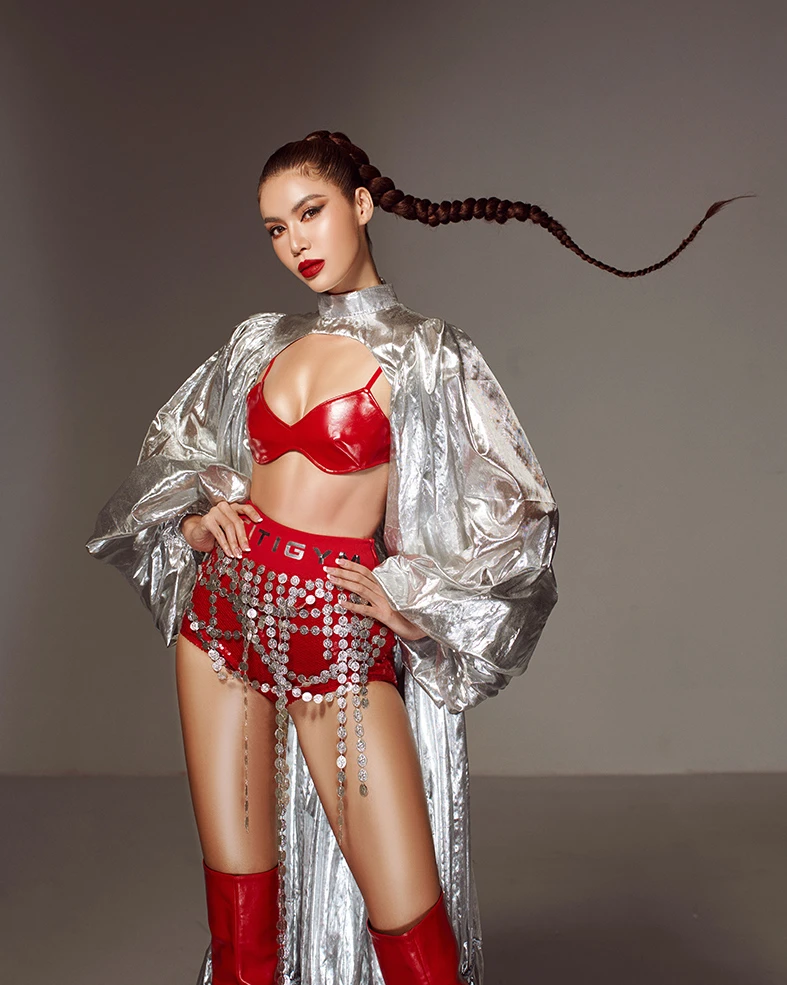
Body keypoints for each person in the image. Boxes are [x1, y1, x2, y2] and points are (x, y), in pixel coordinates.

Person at [85, 130, 745, 985]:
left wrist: (410, 598)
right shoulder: (259, 341)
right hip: (221, 621)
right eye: (276, 228)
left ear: (361, 204)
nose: (295, 243)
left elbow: (518, 517)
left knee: (413, 933)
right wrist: (199, 517)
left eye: (310, 213)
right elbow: (177, 452)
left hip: (333, 635)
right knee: (242, 920)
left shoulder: (428, 353)